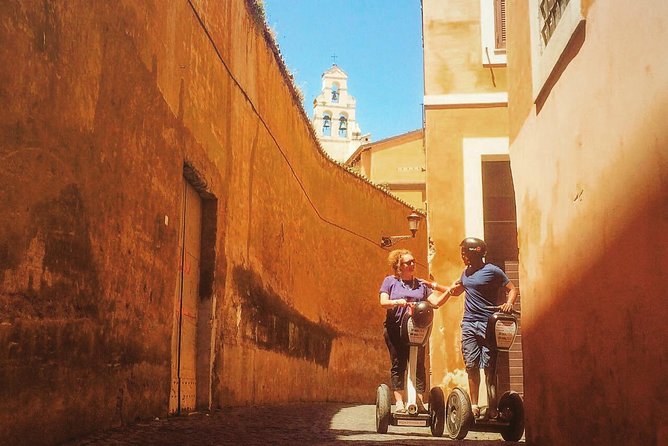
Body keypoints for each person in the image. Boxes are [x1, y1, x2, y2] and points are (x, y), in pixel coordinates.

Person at [446, 237, 518, 420]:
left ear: (476, 253)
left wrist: (508, 304)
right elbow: (457, 290)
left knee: (489, 366)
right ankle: (475, 406)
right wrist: (437, 288)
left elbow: (512, 289)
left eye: (465, 253)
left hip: (488, 324)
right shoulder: (466, 272)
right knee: (471, 366)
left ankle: (493, 408)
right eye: (462, 253)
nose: (463, 256)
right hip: (469, 323)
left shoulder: (492, 271)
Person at [379, 249, 450, 413]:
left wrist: (448, 291)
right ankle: (399, 403)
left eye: (413, 261)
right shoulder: (390, 281)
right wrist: (398, 302)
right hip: (395, 330)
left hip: (418, 330)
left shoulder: (421, 285)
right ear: (398, 266)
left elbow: (436, 303)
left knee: (419, 366)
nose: (412, 265)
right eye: (408, 262)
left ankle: (418, 401)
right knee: (399, 364)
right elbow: (383, 302)